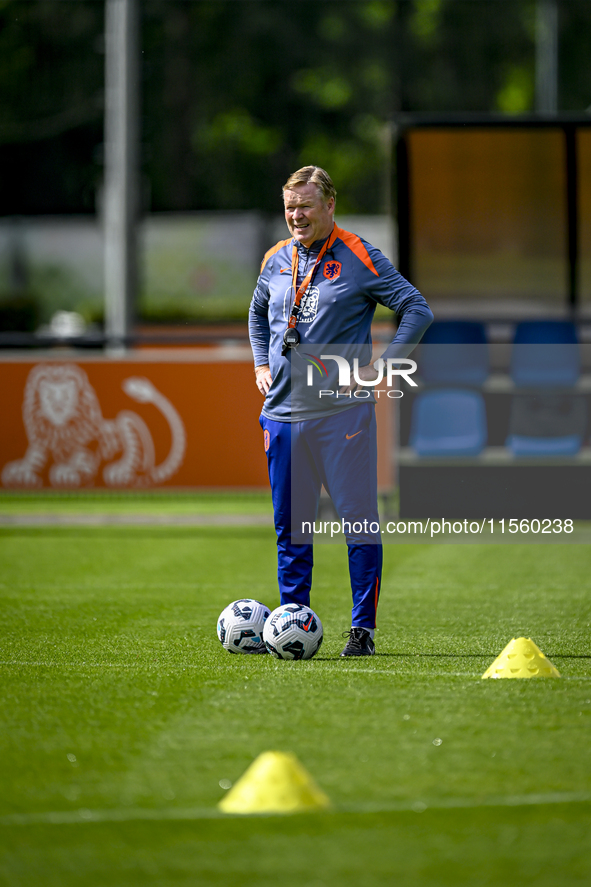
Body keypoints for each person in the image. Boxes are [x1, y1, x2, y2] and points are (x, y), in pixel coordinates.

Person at [248, 166, 433, 656]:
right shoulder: (274, 258)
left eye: (306, 206)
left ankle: (361, 631)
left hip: (341, 416)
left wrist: (387, 367)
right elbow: (257, 311)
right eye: (290, 206)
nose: (296, 215)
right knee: (292, 530)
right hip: (282, 418)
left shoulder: (359, 256)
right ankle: (290, 622)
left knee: (358, 523)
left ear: (330, 205)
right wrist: (261, 363)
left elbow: (417, 309)